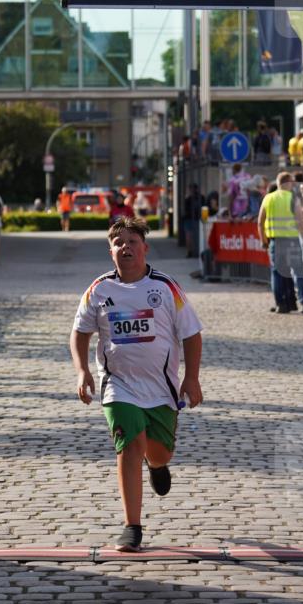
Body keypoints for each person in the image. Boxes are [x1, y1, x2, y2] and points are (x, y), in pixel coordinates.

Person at [70, 216, 203, 552]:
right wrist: (82, 371)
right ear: (110, 250)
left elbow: (192, 333)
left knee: (159, 453)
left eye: (132, 241)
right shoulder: (98, 290)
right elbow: (80, 333)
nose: (125, 247)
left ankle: (157, 466)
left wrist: (192, 377)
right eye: (118, 242)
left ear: (144, 247)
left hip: (161, 390)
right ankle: (132, 526)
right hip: (119, 387)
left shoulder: (165, 287)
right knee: (130, 447)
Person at [258, 171, 303, 315]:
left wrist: (263, 240)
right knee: (299, 272)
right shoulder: (293, 198)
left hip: (276, 241)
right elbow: (300, 221)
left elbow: (260, 222)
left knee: (277, 274)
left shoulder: (268, 198)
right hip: (292, 242)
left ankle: (281, 304)